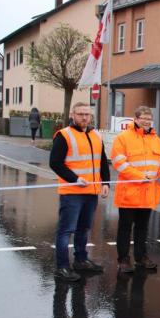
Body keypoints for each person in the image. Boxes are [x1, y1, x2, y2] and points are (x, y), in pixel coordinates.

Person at [49, 102, 110, 282]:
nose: (84, 117)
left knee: (84, 228)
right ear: (72, 115)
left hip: (91, 191)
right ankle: (62, 267)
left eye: (87, 114)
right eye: (80, 114)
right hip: (72, 191)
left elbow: (102, 160)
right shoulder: (64, 135)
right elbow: (55, 163)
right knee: (66, 230)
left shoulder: (96, 135)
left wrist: (105, 182)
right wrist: (74, 179)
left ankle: (81, 260)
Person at [111, 106, 160, 274]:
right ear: (136, 119)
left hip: (147, 193)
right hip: (129, 193)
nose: (146, 121)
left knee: (142, 227)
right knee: (125, 228)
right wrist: (139, 176)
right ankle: (123, 259)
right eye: (143, 118)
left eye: (149, 119)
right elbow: (119, 163)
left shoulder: (156, 140)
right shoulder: (123, 138)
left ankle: (141, 257)